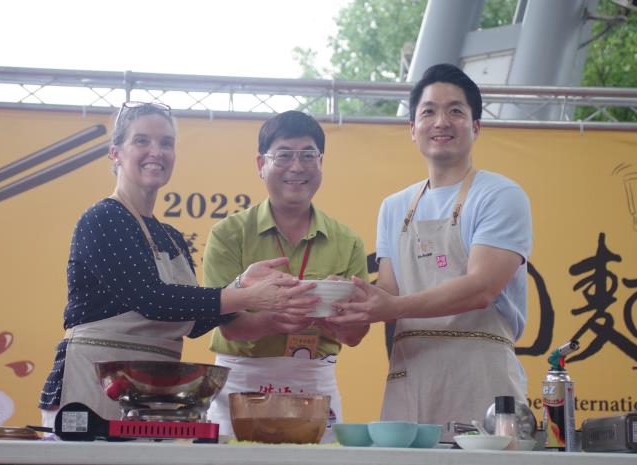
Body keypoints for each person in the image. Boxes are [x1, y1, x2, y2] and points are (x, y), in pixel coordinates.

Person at [38, 102, 317, 429]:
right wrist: (248, 297)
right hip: (91, 388)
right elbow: (152, 300)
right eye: (142, 141)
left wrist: (241, 284)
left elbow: (191, 321)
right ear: (115, 153)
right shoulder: (103, 218)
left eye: (166, 143)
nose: (156, 151)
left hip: (150, 395)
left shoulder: (170, 237)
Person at [328, 64, 532, 440]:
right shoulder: (394, 206)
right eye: (429, 111)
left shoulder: (500, 195)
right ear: (412, 129)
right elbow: (388, 291)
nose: (442, 121)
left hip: (482, 382)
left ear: (476, 127)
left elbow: (481, 288)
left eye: (456, 111)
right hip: (412, 379)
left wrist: (391, 307)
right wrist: (342, 307)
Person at [201, 110, 370, 438]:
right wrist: (272, 320)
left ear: (321, 163)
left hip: (314, 382)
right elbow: (226, 323)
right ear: (260, 164)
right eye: (284, 155)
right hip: (241, 381)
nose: (297, 167)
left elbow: (355, 334)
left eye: (309, 155)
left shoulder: (347, 241)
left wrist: (334, 320)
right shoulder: (229, 234)